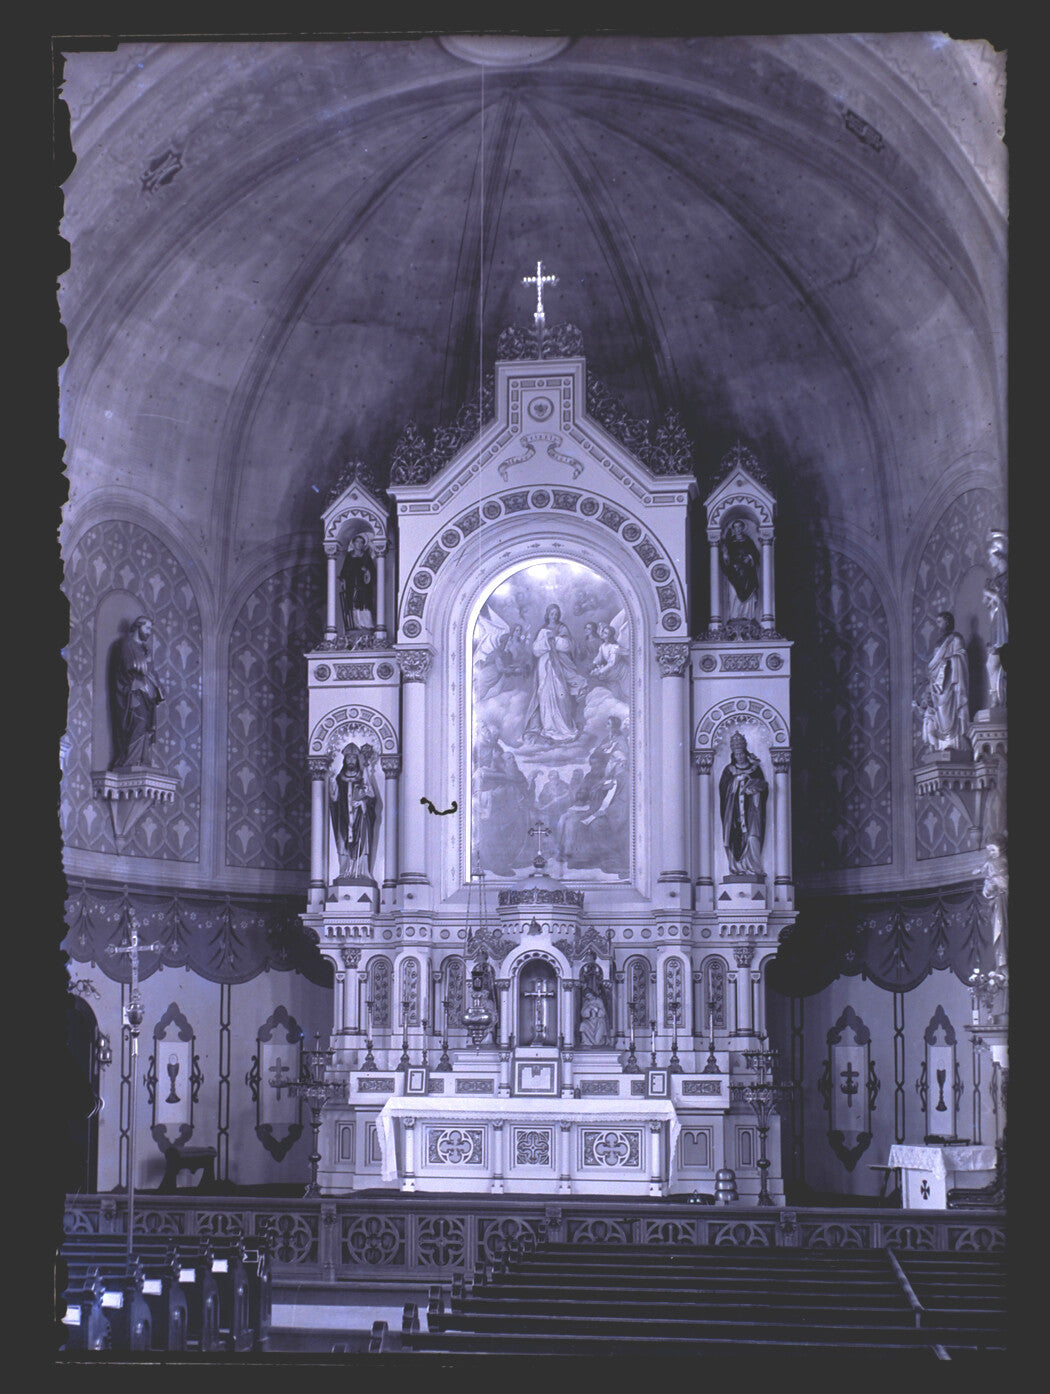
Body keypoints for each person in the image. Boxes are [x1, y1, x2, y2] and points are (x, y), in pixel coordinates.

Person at [522, 603, 588, 743]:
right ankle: (549, 728)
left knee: (561, 695)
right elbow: (536, 650)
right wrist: (547, 641)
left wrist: (555, 640)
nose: (554, 616)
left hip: (560, 666)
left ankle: (565, 727)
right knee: (545, 695)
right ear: (548, 615)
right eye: (552, 613)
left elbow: (568, 646)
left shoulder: (562, 628)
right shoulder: (543, 631)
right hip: (545, 667)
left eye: (556, 613)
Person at [108, 615, 165, 768]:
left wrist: (157, 687)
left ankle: (143, 760)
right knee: (137, 723)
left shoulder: (145, 649)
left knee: (146, 727)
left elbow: (151, 672)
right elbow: (127, 670)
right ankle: (130, 762)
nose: (149, 632)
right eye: (147, 628)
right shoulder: (126, 645)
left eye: (150, 629)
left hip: (148, 697)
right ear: (138, 627)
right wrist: (140, 681)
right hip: (132, 695)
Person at [719, 731, 768, 876]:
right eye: (736, 754)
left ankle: (753, 866)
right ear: (733, 755)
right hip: (733, 812)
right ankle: (737, 867)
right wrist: (736, 781)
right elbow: (723, 789)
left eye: (741, 753)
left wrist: (753, 788)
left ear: (745, 753)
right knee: (734, 838)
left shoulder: (755, 769)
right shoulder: (729, 770)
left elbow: (763, 788)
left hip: (752, 811)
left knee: (753, 837)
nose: (739, 757)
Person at [920, 611, 970, 752]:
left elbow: (961, 656)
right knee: (939, 712)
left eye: (940, 622)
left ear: (948, 622)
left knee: (951, 711)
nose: (938, 626)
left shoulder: (955, 639)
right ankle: (942, 744)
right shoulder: (938, 642)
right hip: (939, 685)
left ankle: (955, 741)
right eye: (937, 622)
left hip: (951, 682)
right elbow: (934, 665)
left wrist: (948, 662)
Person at [329, 743, 379, 879]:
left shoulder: (363, 777)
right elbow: (334, 799)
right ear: (344, 760)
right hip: (343, 817)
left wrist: (362, 803)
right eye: (348, 758)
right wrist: (332, 781)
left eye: (354, 758)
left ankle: (361, 872)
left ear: (357, 760)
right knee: (343, 842)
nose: (351, 760)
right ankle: (345, 871)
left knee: (362, 841)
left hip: (360, 817)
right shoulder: (339, 779)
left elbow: (372, 798)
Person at [983, 530, 1008, 708]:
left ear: (998, 556)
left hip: (1005, 623)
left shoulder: (1005, 579)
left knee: (995, 662)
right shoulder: (994, 580)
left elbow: (1001, 599)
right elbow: (988, 602)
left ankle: (998, 698)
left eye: (991, 557)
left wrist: (991, 593)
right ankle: (996, 698)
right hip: (997, 623)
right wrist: (988, 595)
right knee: (991, 662)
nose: (989, 561)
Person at [720, 519, 760, 621]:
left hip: (747, 572)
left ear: (743, 528)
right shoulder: (730, 542)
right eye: (736, 527)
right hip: (734, 572)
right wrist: (725, 555)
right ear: (733, 529)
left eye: (739, 527)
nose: (738, 529)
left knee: (749, 592)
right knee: (734, 594)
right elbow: (725, 558)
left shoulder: (748, 541)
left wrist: (750, 557)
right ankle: (735, 616)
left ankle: (747, 616)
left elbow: (755, 554)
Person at [981, 834, 1008, 971]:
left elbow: (1004, 882)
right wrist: (989, 887)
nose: (990, 853)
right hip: (997, 906)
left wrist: (999, 880)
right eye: (988, 851)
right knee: (1000, 935)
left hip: (1006, 903)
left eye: (993, 850)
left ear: (1001, 847)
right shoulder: (990, 864)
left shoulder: (1004, 861)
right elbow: (987, 891)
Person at [340, 534, 376, 632]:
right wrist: (343, 579)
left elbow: (372, 570)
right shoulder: (349, 556)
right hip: (351, 584)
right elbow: (344, 570)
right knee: (352, 603)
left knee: (364, 602)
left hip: (363, 585)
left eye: (361, 542)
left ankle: (365, 624)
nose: (359, 544)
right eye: (357, 542)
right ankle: (355, 624)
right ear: (354, 543)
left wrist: (367, 570)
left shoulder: (366, 556)